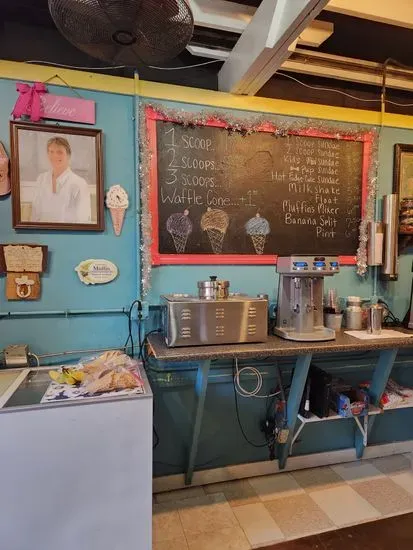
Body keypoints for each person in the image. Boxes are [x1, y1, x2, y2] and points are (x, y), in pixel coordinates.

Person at [29, 136, 91, 223]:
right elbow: (35, 215)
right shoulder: (41, 179)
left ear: (68, 155)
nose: (55, 156)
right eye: (51, 152)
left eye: (59, 152)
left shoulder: (79, 183)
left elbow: (83, 221)